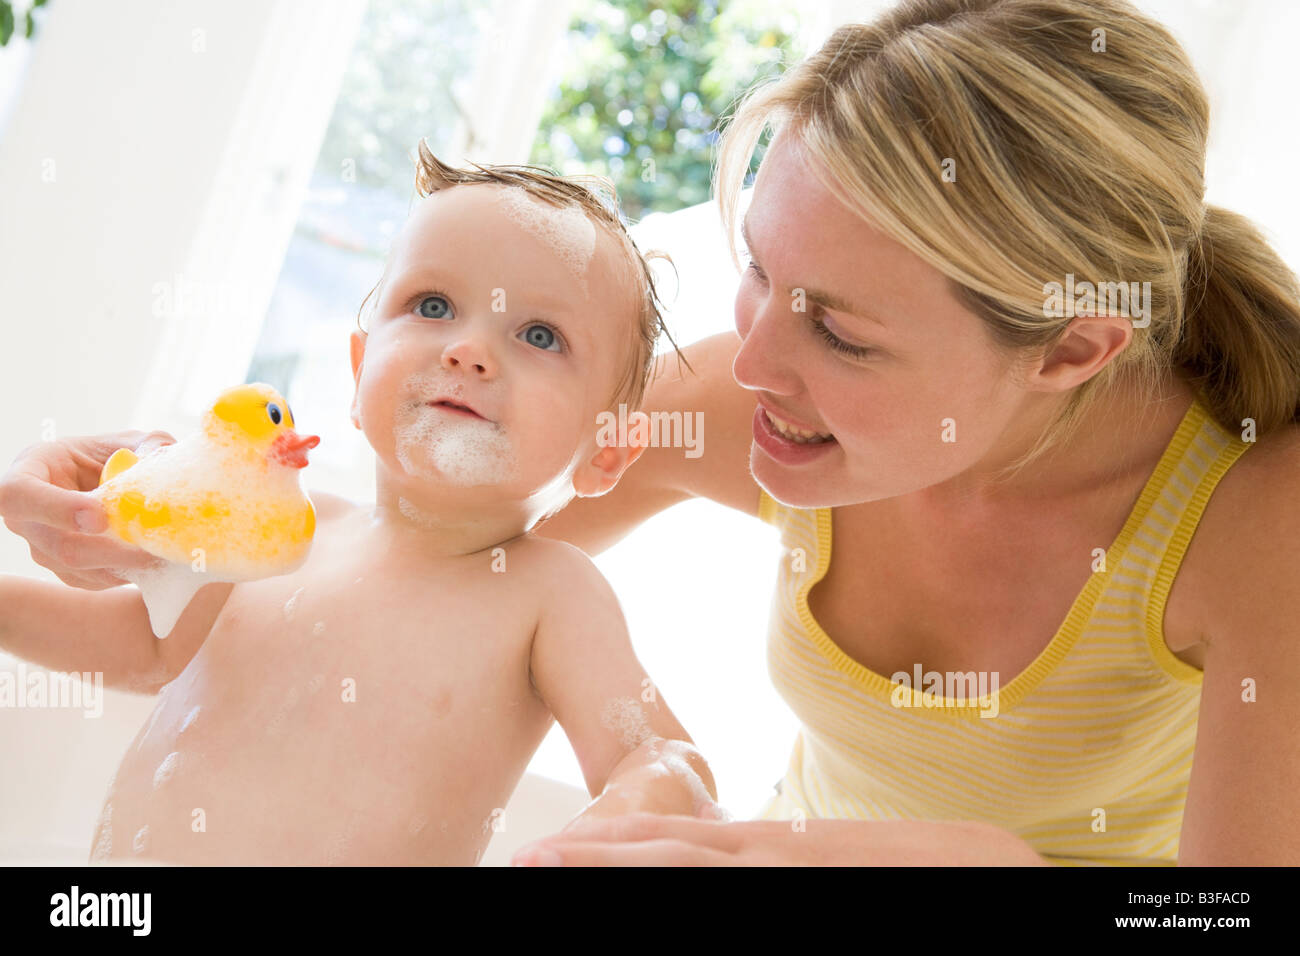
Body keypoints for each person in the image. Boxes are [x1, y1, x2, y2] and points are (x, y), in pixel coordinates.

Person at [4, 0, 1299, 866]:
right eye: (756, 270)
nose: (757, 362)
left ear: (1076, 347)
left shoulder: (1256, 521)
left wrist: (991, 866)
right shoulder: (757, 396)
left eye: (844, 333)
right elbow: (440, 538)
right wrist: (177, 499)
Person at [0, 147, 718, 865]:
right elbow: (146, 646)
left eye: (539, 335)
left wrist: (632, 808)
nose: (470, 349)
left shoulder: (549, 597)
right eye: (433, 306)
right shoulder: (281, 529)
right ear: (358, 368)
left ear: (610, 451)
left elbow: (660, 758)